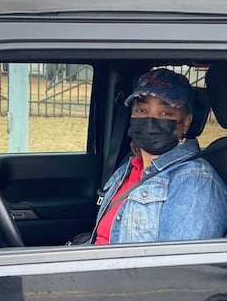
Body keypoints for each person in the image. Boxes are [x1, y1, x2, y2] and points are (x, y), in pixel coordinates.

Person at [92, 68, 227, 244]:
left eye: (165, 113)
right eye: (141, 110)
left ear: (185, 123)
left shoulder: (195, 181)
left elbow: (177, 267)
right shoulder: (129, 167)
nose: (150, 120)